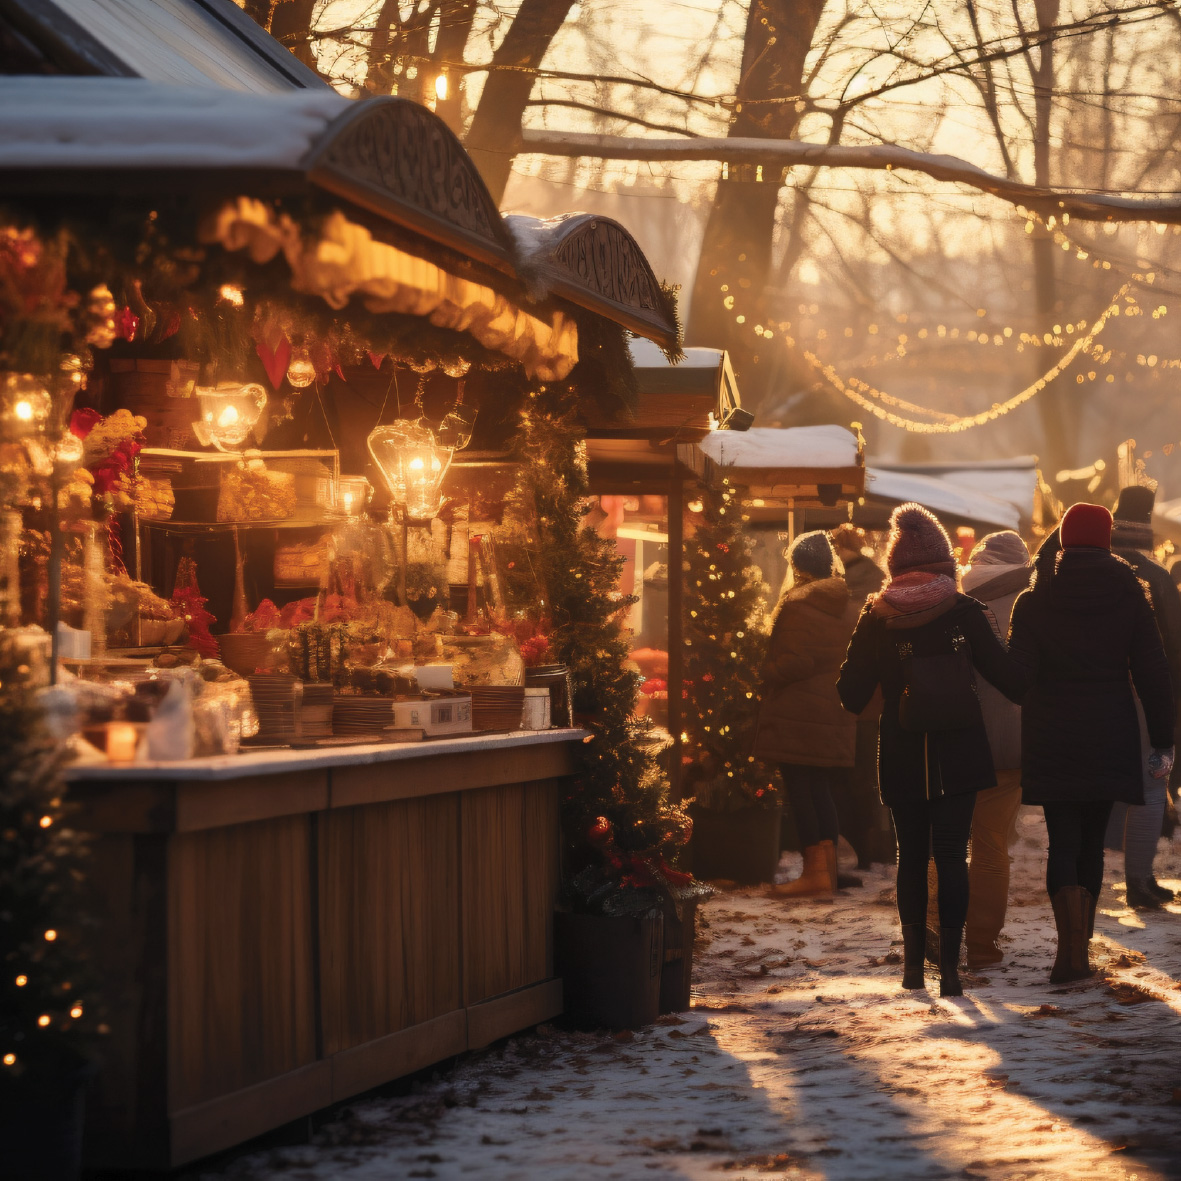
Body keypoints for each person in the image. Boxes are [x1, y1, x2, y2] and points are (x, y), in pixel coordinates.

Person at [837, 503, 1025, 996]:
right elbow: (1011, 682)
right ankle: (953, 973)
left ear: (895, 565)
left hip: (902, 751)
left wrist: (891, 683)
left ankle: (914, 968)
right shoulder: (966, 611)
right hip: (960, 750)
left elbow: (849, 694)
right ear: (945, 562)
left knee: (913, 856)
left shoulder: (876, 614)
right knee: (952, 853)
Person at [1008, 504, 1174, 984]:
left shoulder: (1034, 600)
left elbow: (1018, 680)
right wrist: (1164, 739)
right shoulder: (1130, 594)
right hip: (1109, 729)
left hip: (1052, 731)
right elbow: (1152, 670)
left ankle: (1068, 952)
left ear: (1061, 540)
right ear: (1107, 541)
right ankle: (1080, 950)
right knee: (1092, 848)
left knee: (1063, 840)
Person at [754, 531, 859, 897]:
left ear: (798, 565)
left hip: (798, 713)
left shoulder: (797, 604)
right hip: (833, 711)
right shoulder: (847, 605)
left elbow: (796, 662)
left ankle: (815, 874)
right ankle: (825, 872)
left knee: (801, 791)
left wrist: (763, 671)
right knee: (820, 790)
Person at [958, 531, 1032, 966]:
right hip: (1015, 740)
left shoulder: (957, 599)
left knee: (944, 842)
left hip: (959, 735)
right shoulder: (1035, 601)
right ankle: (982, 944)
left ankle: (932, 930)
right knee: (990, 844)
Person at [1107, 484, 1181, 908]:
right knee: (1153, 788)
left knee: (1092, 791)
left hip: (1092, 698)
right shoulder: (1155, 579)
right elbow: (1174, 647)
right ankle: (1139, 880)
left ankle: (1084, 886)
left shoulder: (1085, 573)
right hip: (1145, 698)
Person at [830, 525, 894, 870]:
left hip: (858, 701)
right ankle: (879, 846)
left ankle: (868, 847)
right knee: (872, 778)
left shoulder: (845, 589)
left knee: (858, 778)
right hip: (879, 701)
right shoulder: (877, 580)